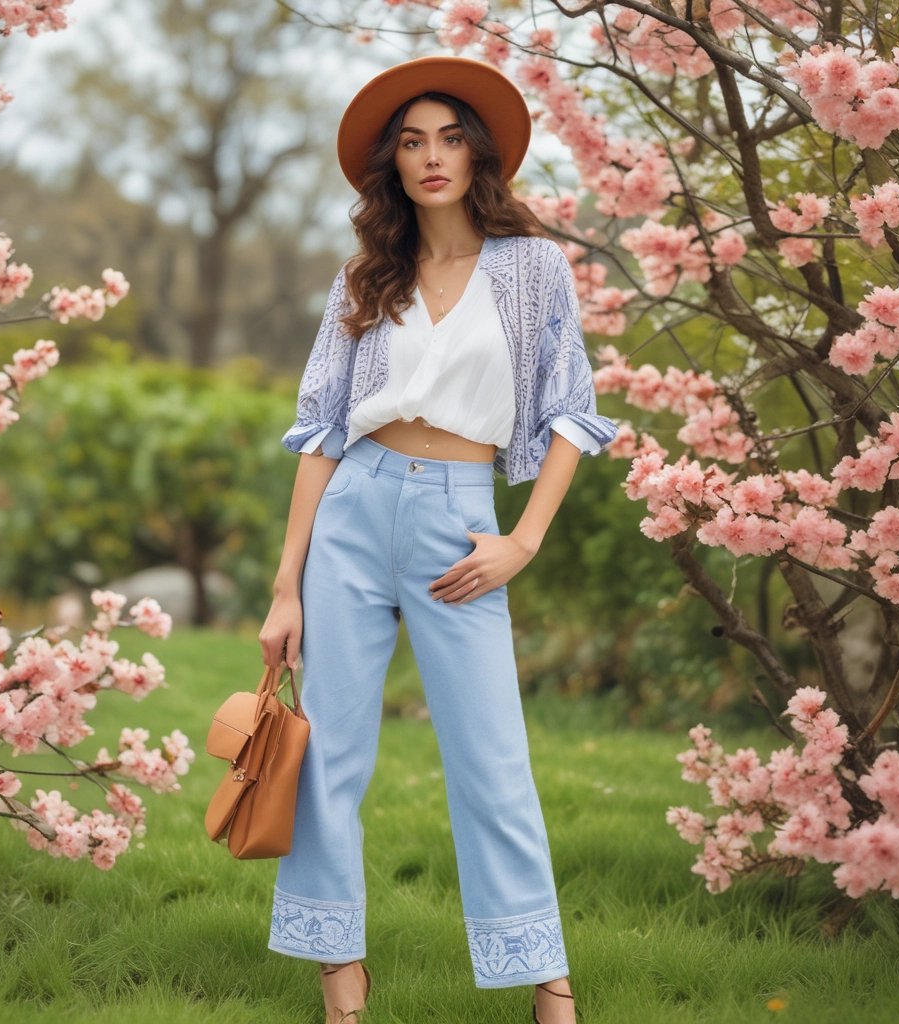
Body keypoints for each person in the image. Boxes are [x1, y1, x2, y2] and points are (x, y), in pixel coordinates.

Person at [259, 55, 618, 1024]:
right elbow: (322, 431)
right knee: (329, 753)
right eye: (411, 141)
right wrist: (285, 586)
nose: (431, 157)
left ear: (478, 152)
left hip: (460, 520)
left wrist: (523, 541)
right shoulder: (367, 275)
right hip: (352, 514)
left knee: (491, 758)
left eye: (449, 136)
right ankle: (341, 978)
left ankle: (549, 984)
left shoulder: (532, 267)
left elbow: (573, 415)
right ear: (391, 163)